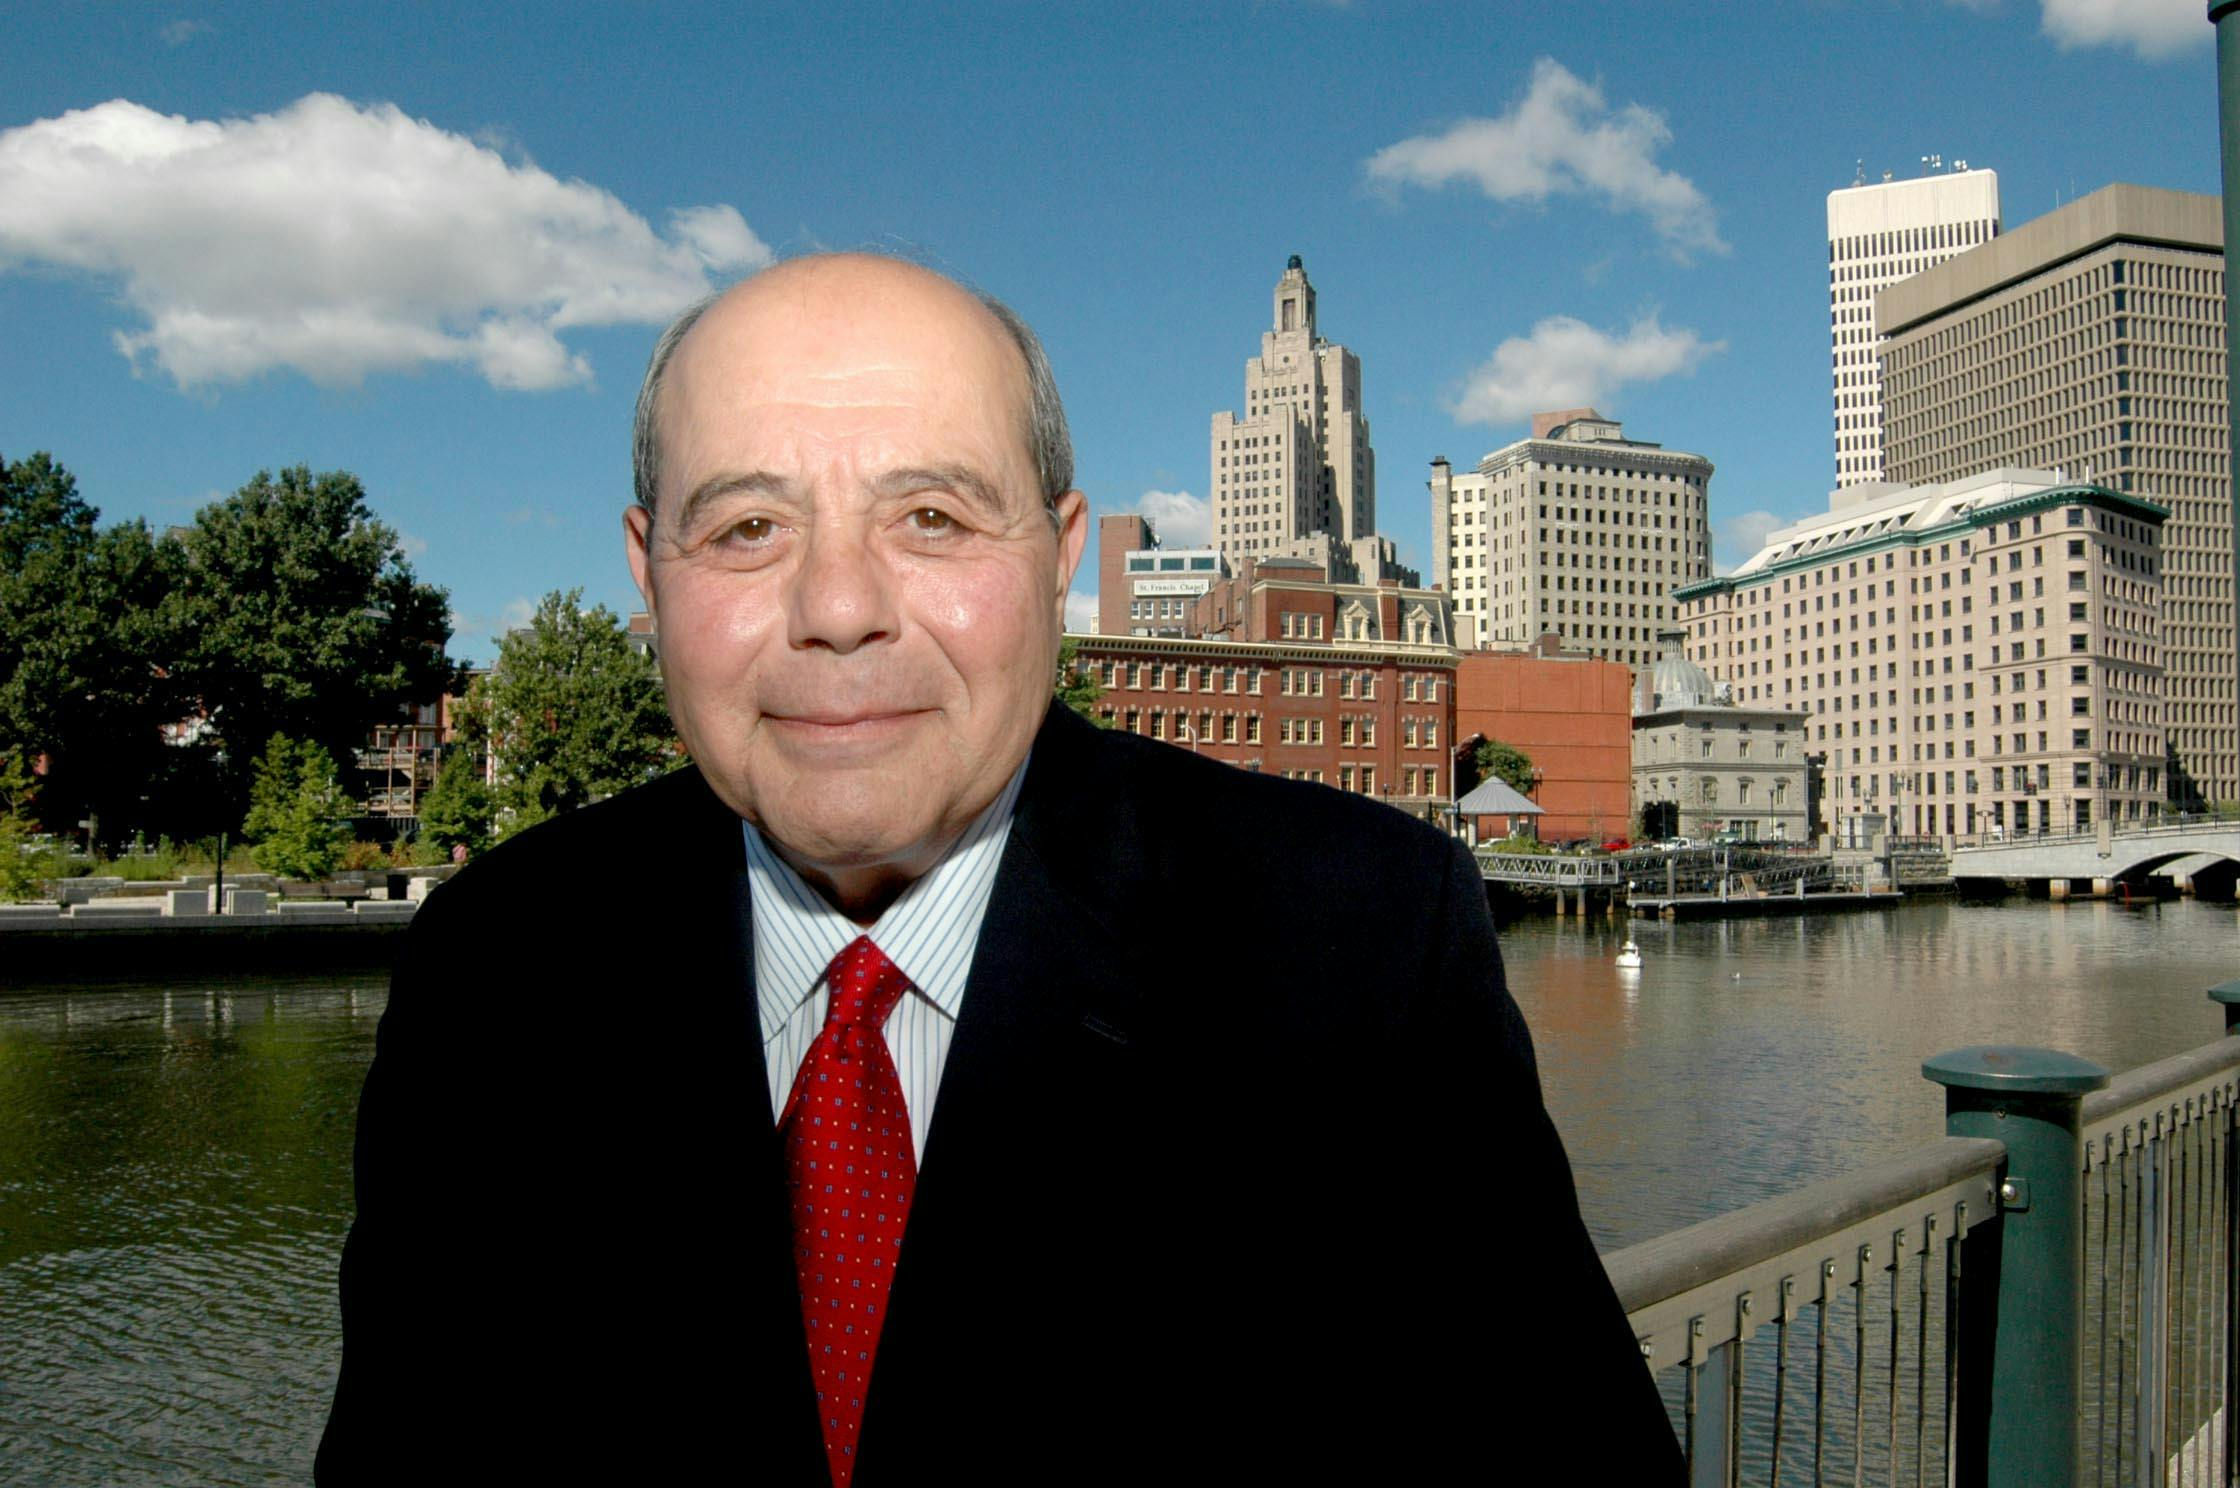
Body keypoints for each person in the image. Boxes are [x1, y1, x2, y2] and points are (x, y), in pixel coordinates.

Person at [316, 254, 1682, 1485]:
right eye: (746, 530)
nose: (838, 608)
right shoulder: (494, 971)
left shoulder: (1365, 942)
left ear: (1059, 555)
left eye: (931, 517)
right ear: (649, 573)